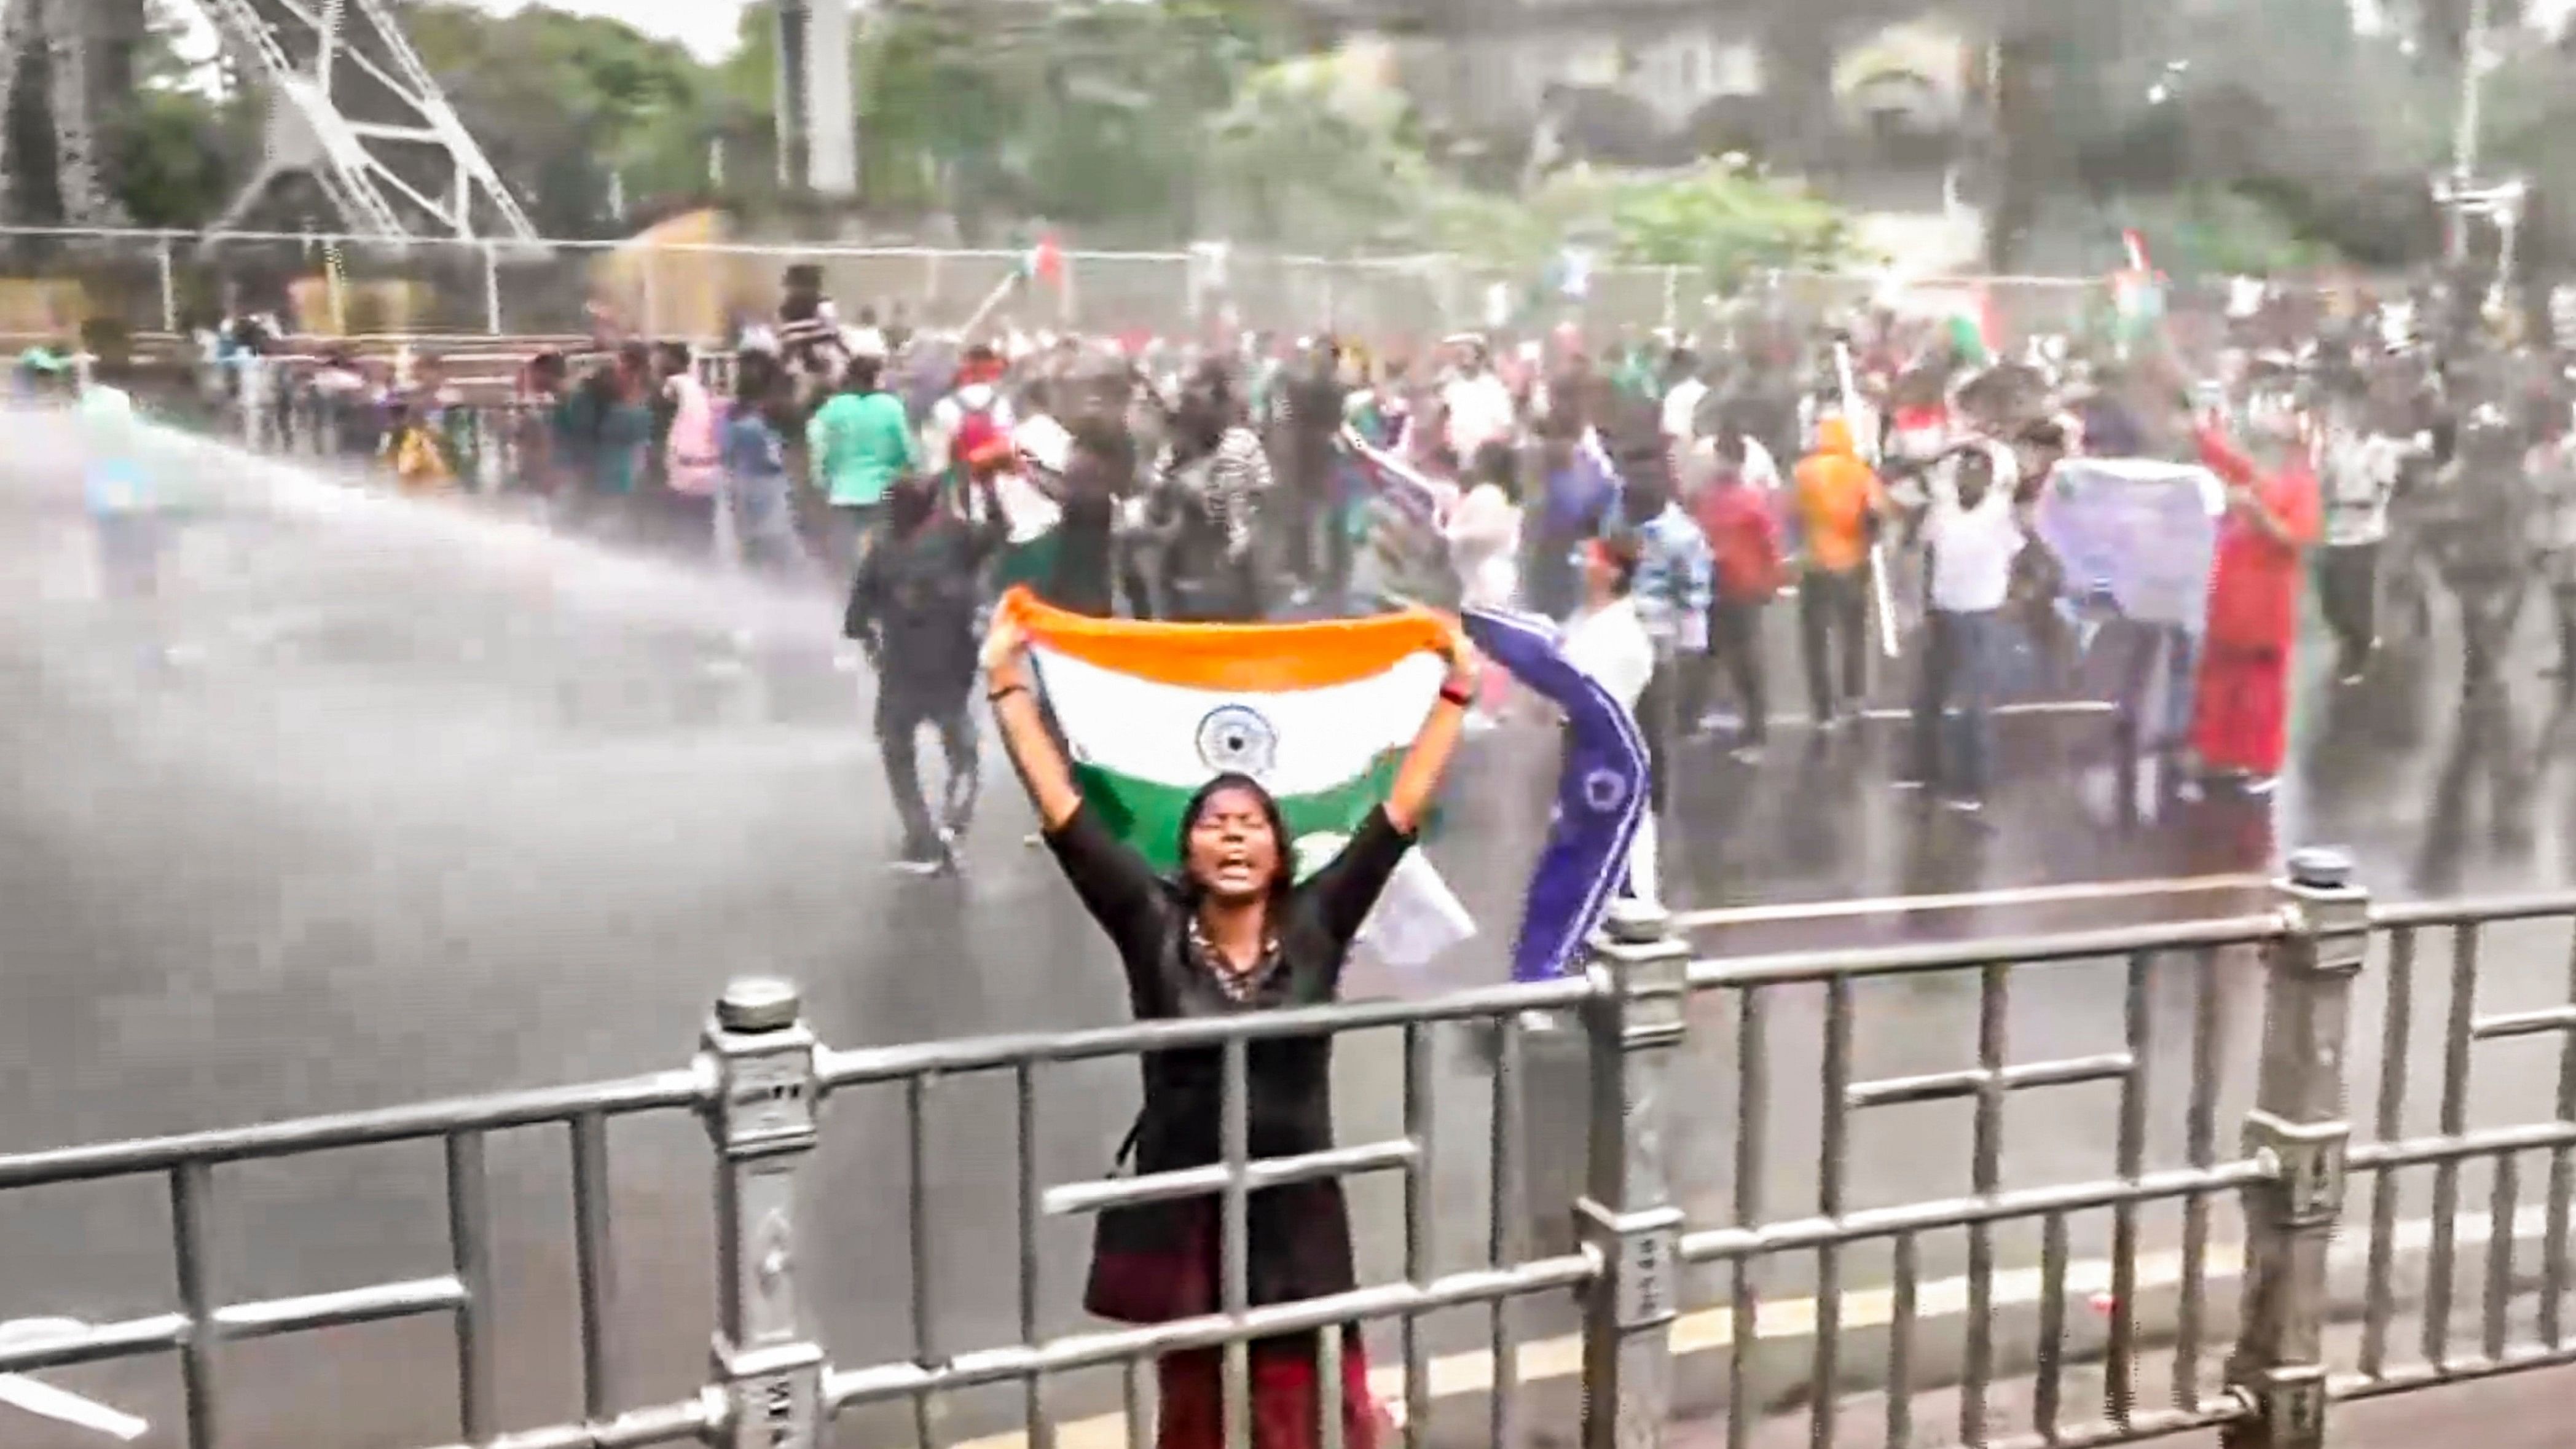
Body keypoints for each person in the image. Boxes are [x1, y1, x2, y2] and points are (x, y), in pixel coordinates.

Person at [980, 610, 1477, 1449]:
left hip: (1298, 1212)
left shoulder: (1319, 921)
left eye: (1252, 824)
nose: (1235, 835)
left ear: (1280, 853)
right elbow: (1064, 811)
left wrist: (1458, 685)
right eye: (1215, 823)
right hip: (1189, 1212)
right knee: (1198, 1411)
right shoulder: (1150, 922)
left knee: (1316, 1404)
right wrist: (1005, 681)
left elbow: (1397, 812)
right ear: (1189, 849)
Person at [846, 472, 1008, 873]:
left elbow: (855, 621)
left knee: (896, 748)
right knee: (964, 751)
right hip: (952, 669)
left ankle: (919, 832)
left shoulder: (880, 553)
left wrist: (874, 651)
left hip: (900, 671)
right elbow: (1000, 529)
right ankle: (952, 828)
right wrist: (986, 487)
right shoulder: (955, 537)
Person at [2191, 412, 2321, 795]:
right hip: (2230, 603)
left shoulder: (2302, 488)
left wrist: (2256, 513)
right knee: (2218, 682)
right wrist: (2204, 429)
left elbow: (2294, 538)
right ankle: (2215, 757)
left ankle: (2261, 764)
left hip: (2267, 604)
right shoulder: (2266, 479)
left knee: (2260, 689)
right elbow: (2226, 457)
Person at [1906, 440, 2024, 813]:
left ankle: (1974, 785)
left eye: (1977, 472)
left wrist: (2013, 598)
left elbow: (2024, 558)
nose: (1968, 479)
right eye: (1963, 472)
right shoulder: (1942, 510)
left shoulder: (2000, 514)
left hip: (1980, 616)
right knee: (1930, 696)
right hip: (1944, 611)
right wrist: (1925, 604)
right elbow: (1927, 553)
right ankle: (1925, 772)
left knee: (1972, 704)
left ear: (1990, 479)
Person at [1563, 535, 1662, 908]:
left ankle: (1635, 910)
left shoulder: (1623, 635)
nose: (1581, 566)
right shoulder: (1583, 619)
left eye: (1591, 559)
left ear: (1612, 572)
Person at [1791, 414, 1885, 730]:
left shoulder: (1804, 472)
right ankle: (1854, 695)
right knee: (1853, 633)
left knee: (1815, 638)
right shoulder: (1859, 473)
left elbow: (1792, 515)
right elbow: (1875, 513)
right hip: (1853, 562)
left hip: (1814, 562)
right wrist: (1867, 543)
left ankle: (1822, 710)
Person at [1692, 435, 1783, 756]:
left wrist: (1770, 580)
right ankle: (1700, 721)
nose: (1720, 465)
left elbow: (1770, 545)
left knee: (1746, 663)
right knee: (1711, 656)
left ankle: (1756, 734)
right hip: (1718, 586)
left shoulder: (1748, 500)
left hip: (1741, 587)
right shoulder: (1709, 499)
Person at [807, 354, 919, 571]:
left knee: (846, 553)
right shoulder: (891, 406)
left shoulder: (834, 407)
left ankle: (846, 595)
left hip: (842, 491)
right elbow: (907, 445)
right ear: (877, 378)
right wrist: (913, 470)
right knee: (881, 548)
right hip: (883, 490)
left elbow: (816, 438)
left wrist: (820, 477)